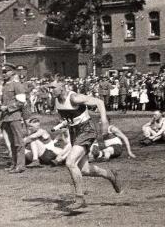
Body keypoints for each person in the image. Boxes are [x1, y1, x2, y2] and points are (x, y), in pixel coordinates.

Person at [51, 75, 121, 210]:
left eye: (53, 87)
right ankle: (110, 175)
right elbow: (72, 117)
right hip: (74, 132)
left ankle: (79, 198)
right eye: (50, 88)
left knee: (70, 162)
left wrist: (104, 120)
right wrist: (63, 124)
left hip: (87, 130)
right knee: (84, 169)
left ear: (62, 86)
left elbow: (99, 102)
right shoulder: (56, 100)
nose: (51, 90)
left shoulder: (74, 97)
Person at [0, 65, 27, 173]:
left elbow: (21, 102)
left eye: (6, 71)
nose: (4, 74)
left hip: (14, 116)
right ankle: (14, 163)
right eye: (3, 72)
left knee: (18, 142)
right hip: (6, 117)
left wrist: (8, 107)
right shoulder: (4, 85)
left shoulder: (17, 85)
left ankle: (20, 166)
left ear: (12, 72)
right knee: (11, 143)